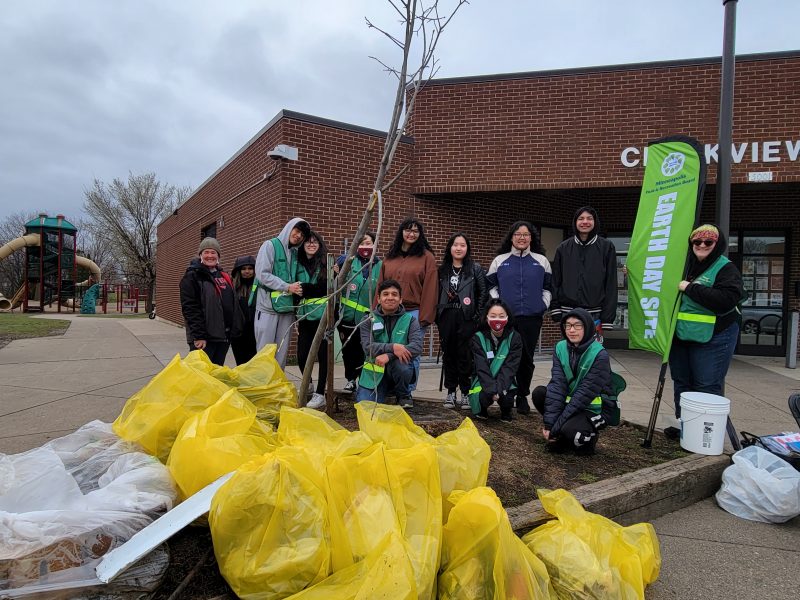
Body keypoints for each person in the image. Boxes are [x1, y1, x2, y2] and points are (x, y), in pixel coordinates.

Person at [666, 224, 744, 439]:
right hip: (681, 335)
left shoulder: (726, 269)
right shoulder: (684, 265)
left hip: (715, 336)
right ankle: (687, 430)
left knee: (706, 386)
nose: (701, 245)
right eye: (697, 242)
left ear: (717, 245)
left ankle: (705, 437)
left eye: (708, 242)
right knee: (682, 384)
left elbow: (726, 300)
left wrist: (690, 288)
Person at [486, 221, 552, 415]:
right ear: (511, 237)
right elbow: (490, 285)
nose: (521, 237)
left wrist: (542, 306)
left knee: (526, 358)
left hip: (532, 318)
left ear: (531, 238)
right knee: (506, 357)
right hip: (508, 319)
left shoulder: (541, 261)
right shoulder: (500, 260)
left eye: (526, 234)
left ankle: (522, 395)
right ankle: (507, 393)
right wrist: (499, 305)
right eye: (518, 234)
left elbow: (548, 287)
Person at [531, 308, 612, 455]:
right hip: (572, 403)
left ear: (587, 327)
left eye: (577, 325)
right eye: (568, 325)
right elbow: (557, 385)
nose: (571, 330)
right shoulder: (560, 347)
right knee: (540, 393)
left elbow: (582, 396)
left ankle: (590, 439)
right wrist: (550, 425)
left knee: (573, 435)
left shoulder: (599, 354)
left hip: (592, 408)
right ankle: (563, 434)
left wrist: (556, 428)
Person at [378, 218, 438, 391]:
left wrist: (425, 317)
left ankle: (407, 391)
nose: (411, 234)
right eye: (407, 230)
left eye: (415, 231)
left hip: (414, 312)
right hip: (389, 312)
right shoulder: (390, 256)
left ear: (420, 234)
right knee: (391, 350)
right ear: (401, 232)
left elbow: (431, 289)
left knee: (410, 354)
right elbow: (380, 285)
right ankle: (390, 387)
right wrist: (376, 310)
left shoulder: (427, 257)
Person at [436, 232, 488, 409]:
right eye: (455, 245)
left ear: (467, 248)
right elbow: (435, 294)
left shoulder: (475, 269)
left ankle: (465, 392)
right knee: (449, 355)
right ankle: (451, 391)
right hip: (446, 317)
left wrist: (476, 317)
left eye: (462, 245)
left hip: (467, 318)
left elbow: (483, 294)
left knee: (465, 356)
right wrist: (438, 317)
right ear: (450, 248)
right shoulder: (442, 270)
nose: (459, 248)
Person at [550, 206, 618, 337]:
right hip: (568, 312)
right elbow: (555, 281)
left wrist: (607, 317)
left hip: (595, 314)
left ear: (595, 222)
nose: (585, 222)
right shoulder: (563, 248)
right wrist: (555, 309)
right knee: (569, 352)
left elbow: (611, 283)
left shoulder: (606, 247)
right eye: (581, 218)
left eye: (589, 218)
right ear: (575, 222)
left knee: (592, 353)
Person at [356, 279, 423, 408]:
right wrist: (393, 347)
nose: (390, 297)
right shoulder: (368, 320)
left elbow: (416, 347)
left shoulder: (411, 320)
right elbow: (367, 347)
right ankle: (379, 391)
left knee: (402, 365)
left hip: (397, 370)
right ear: (379, 299)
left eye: (394, 294)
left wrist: (389, 355)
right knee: (365, 407)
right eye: (385, 294)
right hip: (374, 374)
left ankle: (403, 394)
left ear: (400, 299)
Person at [253, 217, 310, 368]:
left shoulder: (296, 253)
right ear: (289, 228)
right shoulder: (270, 246)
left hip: (286, 310)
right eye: (297, 231)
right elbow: (262, 274)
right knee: (264, 353)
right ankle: (262, 387)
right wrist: (287, 287)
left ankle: (277, 387)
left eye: (302, 235)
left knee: (281, 353)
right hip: (267, 309)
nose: (298, 236)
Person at [179, 237, 243, 366]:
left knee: (216, 375)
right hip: (204, 339)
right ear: (200, 255)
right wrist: (198, 335)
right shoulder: (192, 276)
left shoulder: (224, 275)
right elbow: (190, 309)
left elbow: (232, 304)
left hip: (223, 337)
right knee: (201, 378)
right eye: (206, 252)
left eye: (213, 252)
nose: (210, 256)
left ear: (218, 255)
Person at [334, 231, 381, 393]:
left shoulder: (380, 266)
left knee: (365, 351)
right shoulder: (348, 261)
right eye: (362, 243)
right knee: (349, 351)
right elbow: (335, 281)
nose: (365, 246)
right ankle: (350, 380)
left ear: (375, 245)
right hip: (346, 317)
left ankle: (364, 381)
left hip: (368, 319)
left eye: (369, 243)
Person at [468, 299, 523, 422]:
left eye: (501, 316)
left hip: (505, 381)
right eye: (493, 316)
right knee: (483, 396)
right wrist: (492, 390)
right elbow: (481, 367)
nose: (497, 319)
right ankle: (482, 410)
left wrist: (499, 390)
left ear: (507, 318)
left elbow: (510, 367)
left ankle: (506, 411)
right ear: (486, 318)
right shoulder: (478, 338)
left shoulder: (515, 338)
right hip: (484, 381)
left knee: (507, 397)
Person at [295, 231, 330, 410]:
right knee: (302, 355)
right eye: (308, 242)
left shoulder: (326, 263)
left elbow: (324, 288)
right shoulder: (297, 264)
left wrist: (305, 288)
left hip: (323, 316)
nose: (311, 244)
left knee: (323, 356)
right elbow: (294, 290)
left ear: (319, 245)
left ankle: (319, 393)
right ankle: (307, 383)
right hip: (304, 317)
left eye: (315, 242)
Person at [230, 255, 257, 365]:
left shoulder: (260, 287)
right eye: (243, 269)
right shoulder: (232, 288)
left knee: (254, 364)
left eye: (250, 268)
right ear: (238, 271)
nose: (247, 271)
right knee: (241, 364)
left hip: (255, 332)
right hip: (238, 334)